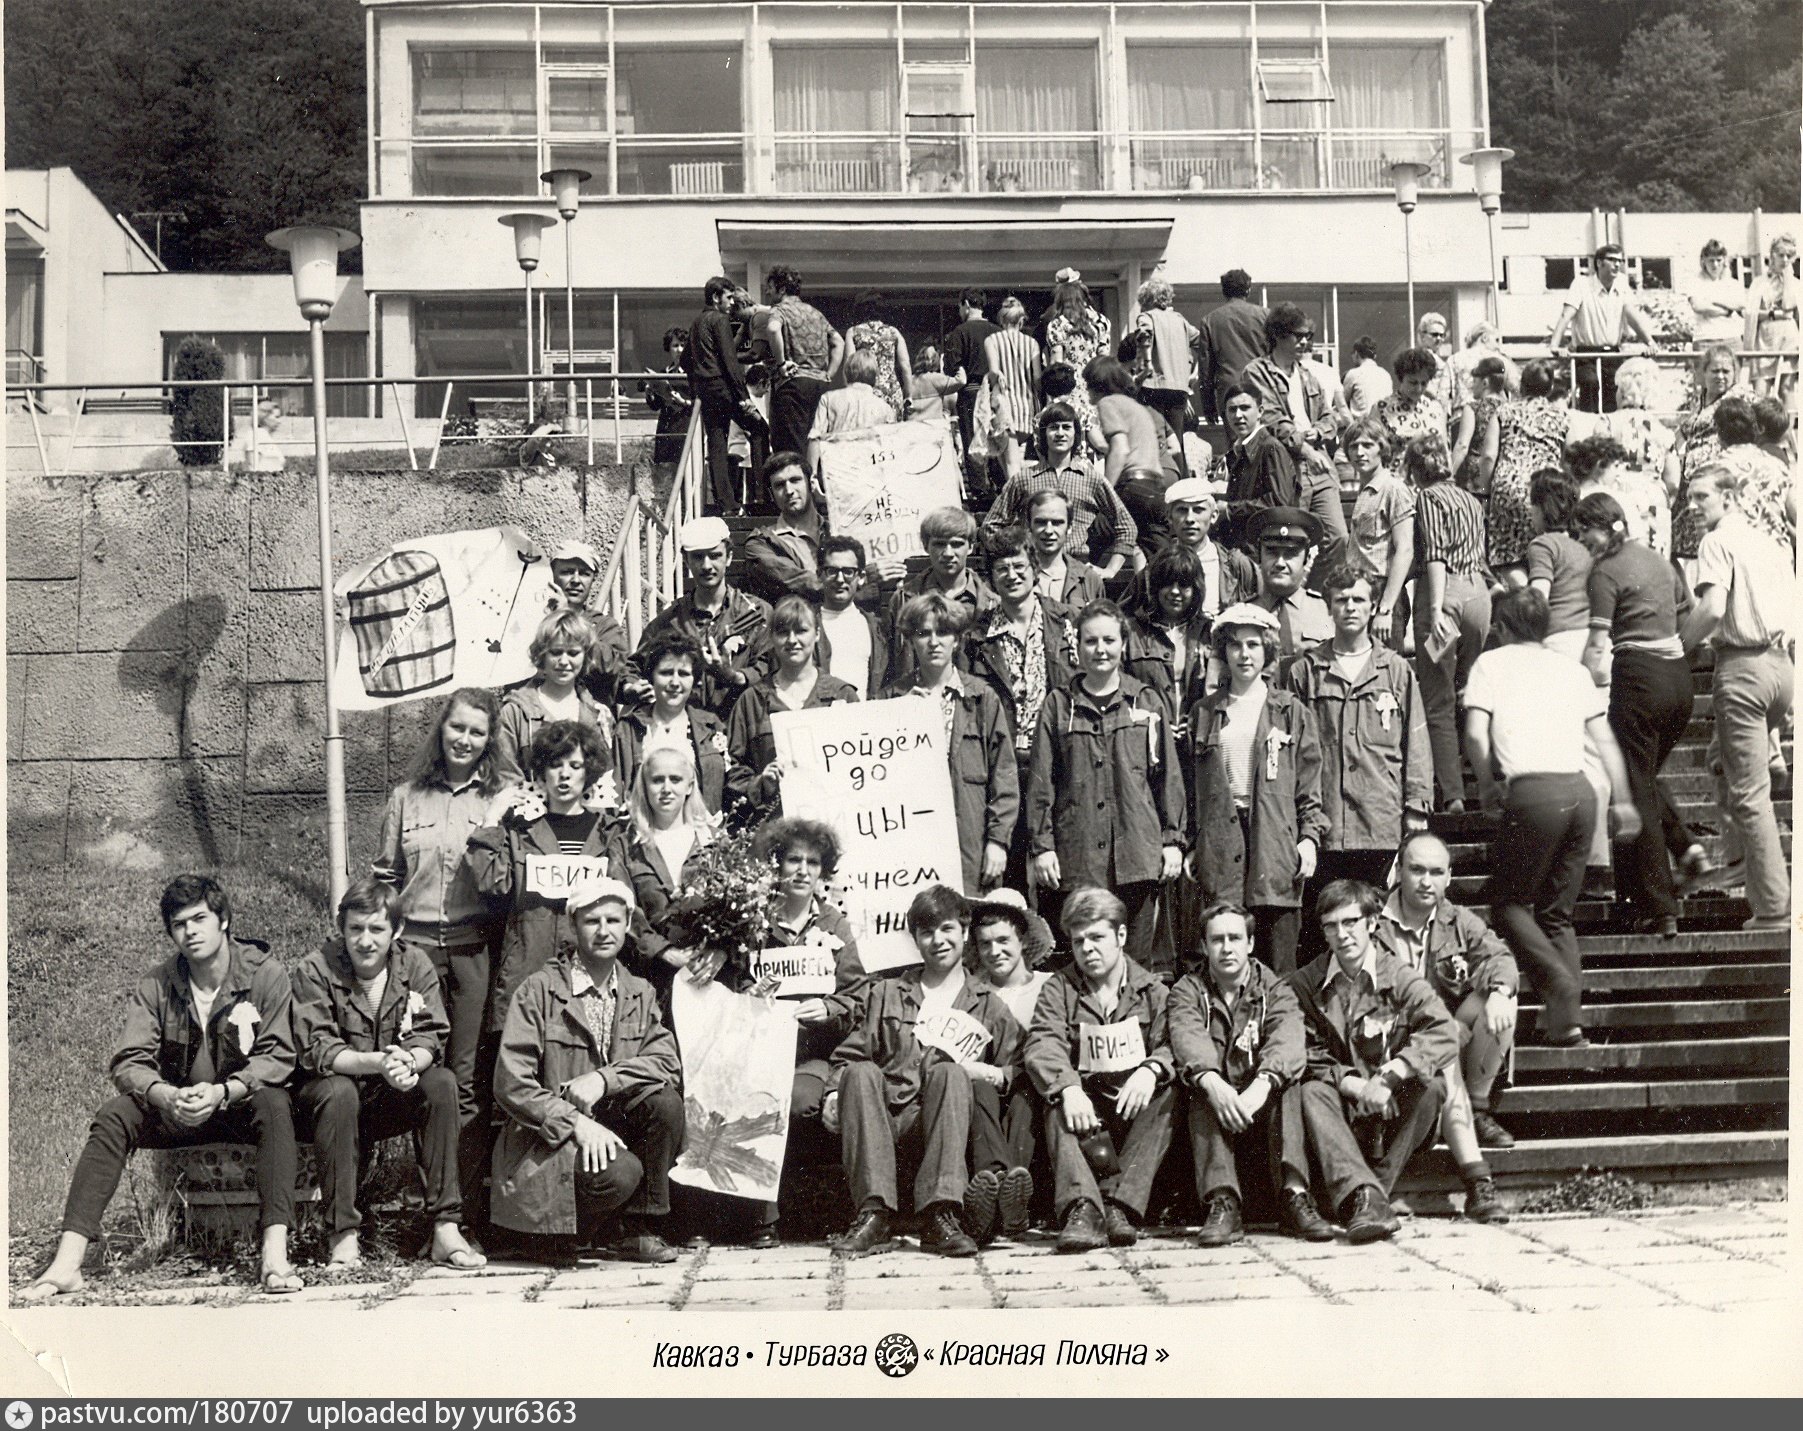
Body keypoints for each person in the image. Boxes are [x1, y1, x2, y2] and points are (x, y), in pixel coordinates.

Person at [21, 876, 302, 1300]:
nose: (190, 931)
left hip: (240, 1105)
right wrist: (165, 1095)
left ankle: (274, 1257)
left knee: (276, 1104)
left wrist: (225, 1092)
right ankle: (66, 1264)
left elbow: (279, 1055)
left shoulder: (265, 974)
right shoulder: (158, 983)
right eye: (178, 924)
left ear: (223, 920)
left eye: (200, 919)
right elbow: (129, 1060)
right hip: (181, 1107)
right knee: (115, 1114)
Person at [1464, 589, 1638, 1047]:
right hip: (1581, 794)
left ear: (1501, 627)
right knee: (1557, 914)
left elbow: (1476, 734)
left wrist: (1485, 785)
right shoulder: (1572, 669)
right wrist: (1622, 800)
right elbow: (1605, 743)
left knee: (1507, 903)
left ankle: (1557, 983)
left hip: (1535, 792)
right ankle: (1567, 1023)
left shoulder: (1491, 665)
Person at [292, 879, 485, 1270]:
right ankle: (342, 1236)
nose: (365, 941)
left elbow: (431, 1035)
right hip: (329, 1098)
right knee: (339, 1092)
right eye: (355, 929)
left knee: (441, 1084)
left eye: (377, 929)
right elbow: (318, 1050)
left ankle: (446, 1228)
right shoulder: (315, 968)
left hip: (389, 1090)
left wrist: (409, 1062)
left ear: (395, 931)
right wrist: (380, 1062)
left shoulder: (414, 964)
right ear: (340, 927)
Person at [490, 876, 684, 1262]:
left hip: (610, 1124)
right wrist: (576, 1123)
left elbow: (667, 1061)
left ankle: (636, 1229)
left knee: (665, 1104)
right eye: (592, 921)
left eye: (613, 921)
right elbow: (512, 1083)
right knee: (621, 1173)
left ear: (628, 925)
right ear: (573, 925)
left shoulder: (639, 991)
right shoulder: (538, 990)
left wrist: (603, 1079)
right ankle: (556, 1232)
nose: (603, 931)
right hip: (550, 1139)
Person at [823, 885, 1019, 1258]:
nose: (938, 940)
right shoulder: (888, 993)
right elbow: (847, 1056)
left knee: (951, 1073)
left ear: (964, 932)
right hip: (880, 1127)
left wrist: (991, 1074)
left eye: (947, 929)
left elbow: (1020, 1065)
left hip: (940, 1129)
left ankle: (940, 1215)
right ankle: (873, 1216)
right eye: (927, 932)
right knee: (861, 1073)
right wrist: (834, 1092)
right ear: (915, 939)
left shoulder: (988, 1004)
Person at [373, 685, 506, 1233]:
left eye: (478, 732)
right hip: (418, 954)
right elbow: (385, 879)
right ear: (441, 730)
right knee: (425, 1075)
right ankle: (432, 1205)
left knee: (468, 1079)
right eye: (458, 728)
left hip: (475, 950)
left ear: (489, 740)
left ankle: (464, 1212)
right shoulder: (406, 797)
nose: (466, 740)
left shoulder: (501, 797)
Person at [1288, 880, 1458, 1237]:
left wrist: (1391, 1075)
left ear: (1371, 924)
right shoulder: (1305, 983)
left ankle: (1364, 1196)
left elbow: (1443, 1029)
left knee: (1434, 1086)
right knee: (1311, 1091)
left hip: (1390, 1111)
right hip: (1338, 1112)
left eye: (1350, 922)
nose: (1342, 935)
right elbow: (1303, 1051)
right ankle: (1368, 1197)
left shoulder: (1397, 975)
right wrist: (1355, 1085)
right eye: (1331, 926)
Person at [1026, 601, 1186, 968]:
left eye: (1109, 640)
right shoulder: (1058, 705)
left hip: (1137, 856)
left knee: (1135, 963)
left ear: (1123, 645)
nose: (1100, 649)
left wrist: (1173, 840)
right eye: (1091, 641)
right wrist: (1042, 845)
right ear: (1077, 647)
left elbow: (1167, 778)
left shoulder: (1145, 701)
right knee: (1083, 962)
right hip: (1078, 857)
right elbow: (1041, 783)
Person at [1576, 492, 1703, 937]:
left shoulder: (1604, 572)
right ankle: (1682, 852)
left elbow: (1596, 647)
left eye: (1585, 531)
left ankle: (1658, 904)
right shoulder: (1659, 560)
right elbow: (1689, 615)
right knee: (1638, 776)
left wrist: (1576, 683)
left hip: (1638, 679)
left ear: (1605, 526)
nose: (1582, 541)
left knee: (1633, 782)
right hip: (1678, 679)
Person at [1170, 902, 1333, 1245]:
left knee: (1288, 1082)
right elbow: (1187, 1036)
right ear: (1204, 945)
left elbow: (1288, 1039)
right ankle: (1222, 1200)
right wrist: (1212, 1081)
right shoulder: (1188, 989)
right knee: (1199, 1084)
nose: (1226, 947)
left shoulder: (1275, 989)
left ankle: (1294, 1195)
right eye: (1217, 940)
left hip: (1262, 1115)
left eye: (1235, 938)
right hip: (1214, 1118)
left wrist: (1261, 1085)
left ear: (1250, 943)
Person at [1024, 888, 1177, 1252]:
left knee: (1169, 1093)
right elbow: (1043, 1043)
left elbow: (1175, 1041)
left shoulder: (1152, 990)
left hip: (1134, 1113)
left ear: (1121, 936)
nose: (1087, 949)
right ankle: (1083, 1207)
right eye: (1078, 941)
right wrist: (1069, 1089)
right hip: (1087, 1116)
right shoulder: (1058, 988)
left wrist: (1153, 1069)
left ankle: (1117, 1205)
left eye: (1097, 937)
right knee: (1055, 1097)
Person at [1681, 462, 1795, 930]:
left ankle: (1773, 908)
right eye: (1689, 497)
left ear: (1728, 498)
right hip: (1780, 668)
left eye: (1702, 497)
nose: (1692, 506)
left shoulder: (1716, 541)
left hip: (1743, 667)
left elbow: (1711, 609)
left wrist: (1676, 649)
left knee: (1748, 795)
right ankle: (1740, 859)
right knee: (1718, 762)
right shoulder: (1770, 541)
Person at [1188, 603, 1327, 975]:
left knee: (1278, 958)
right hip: (1221, 840)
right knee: (1225, 950)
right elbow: (1189, 788)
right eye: (1235, 645)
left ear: (1267, 650)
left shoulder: (1290, 711)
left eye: (1253, 644)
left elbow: (1310, 784)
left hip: (1274, 842)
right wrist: (1191, 844)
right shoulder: (1203, 712)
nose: (1244, 654)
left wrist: (1309, 838)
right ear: (1223, 652)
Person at [1279, 565, 1431, 895]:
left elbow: (1416, 743)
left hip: (1378, 820)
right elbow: (1290, 749)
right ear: (1329, 607)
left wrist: (1417, 806)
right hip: (1322, 823)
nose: (1350, 607)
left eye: (1359, 600)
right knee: (1323, 925)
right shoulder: (1305, 671)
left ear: (1374, 606)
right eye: (1341, 600)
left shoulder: (1395, 670)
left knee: (1375, 919)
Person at [468, 719, 622, 1041]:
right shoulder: (521, 830)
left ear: (588, 771)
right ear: (541, 772)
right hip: (526, 970)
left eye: (574, 765)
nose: (564, 774)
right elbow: (490, 882)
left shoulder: (608, 833)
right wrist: (492, 819)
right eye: (555, 765)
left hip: (588, 972)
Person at [1374, 832, 1520, 1169]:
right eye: (1417, 870)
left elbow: (1500, 957)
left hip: (1446, 1038)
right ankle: (1476, 1173)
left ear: (1449, 877)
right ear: (1398, 870)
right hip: (1393, 1042)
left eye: (1437, 872)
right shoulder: (1373, 920)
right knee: (1443, 1042)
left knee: (1501, 998)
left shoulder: (1457, 920)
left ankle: (1479, 1108)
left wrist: (1498, 992)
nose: (1427, 882)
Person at [880, 591, 1017, 894]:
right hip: (911, 839)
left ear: (957, 640)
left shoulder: (982, 698)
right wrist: (900, 716)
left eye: (942, 633)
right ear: (910, 640)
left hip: (971, 838)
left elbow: (1004, 776)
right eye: (923, 633)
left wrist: (997, 841)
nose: (933, 642)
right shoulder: (892, 698)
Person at [967, 532, 1080, 883]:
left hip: (1060, 762)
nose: (1012, 575)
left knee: (1061, 871)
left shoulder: (1068, 623)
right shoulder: (976, 635)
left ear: (1034, 570)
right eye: (1002, 569)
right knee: (1011, 870)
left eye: (1020, 566)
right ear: (991, 578)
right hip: (1006, 765)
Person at [1406, 432, 1491, 810]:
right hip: (1478, 597)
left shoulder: (1427, 497)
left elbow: (1436, 555)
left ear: (1413, 470)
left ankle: (1454, 793)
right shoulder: (1471, 499)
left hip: (1447, 598)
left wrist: (1437, 608)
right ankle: (1484, 776)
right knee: (1469, 693)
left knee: (1437, 698)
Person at [727, 594, 861, 823]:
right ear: (771, 638)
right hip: (774, 827)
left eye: (801, 630)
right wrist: (761, 783)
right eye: (782, 632)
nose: (792, 640)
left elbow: (864, 762)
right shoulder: (752, 701)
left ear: (817, 634)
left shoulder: (842, 696)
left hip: (834, 824)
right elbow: (733, 770)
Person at [965, 891, 1051, 1239]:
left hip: (1029, 1086)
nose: (994, 951)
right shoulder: (973, 990)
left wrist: (1008, 1074)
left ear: (1023, 940)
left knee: (1025, 1094)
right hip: (982, 1090)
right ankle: (1001, 1189)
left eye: (1003, 941)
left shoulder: (1048, 986)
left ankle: (1012, 1194)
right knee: (979, 1088)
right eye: (985, 944)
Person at [636, 515, 773, 722]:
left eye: (715, 555)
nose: (707, 565)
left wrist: (735, 677)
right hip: (687, 730)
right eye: (698, 557)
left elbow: (772, 669)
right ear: (686, 560)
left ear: (728, 557)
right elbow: (636, 668)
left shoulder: (758, 613)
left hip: (741, 728)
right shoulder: (669, 621)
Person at [606, 744, 719, 990]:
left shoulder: (714, 842)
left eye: (675, 779)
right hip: (650, 979)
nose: (666, 789)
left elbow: (738, 913)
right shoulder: (625, 846)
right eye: (657, 780)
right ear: (645, 787)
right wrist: (664, 951)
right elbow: (622, 909)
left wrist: (719, 952)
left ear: (689, 786)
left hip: (709, 977)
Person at [983, 401, 1138, 580]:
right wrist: (1013, 557)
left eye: (1066, 427)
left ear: (1076, 434)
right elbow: (990, 526)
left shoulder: (1091, 479)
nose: (1060, 433)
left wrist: (1110, 570)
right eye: (1053, 428)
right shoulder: (1023, 478)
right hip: (1034, 571)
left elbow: (1127, 526)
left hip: (1077, 570)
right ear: (1044, 434)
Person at [612, 630, 733, 815]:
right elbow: (616, 794)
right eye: (666, 673)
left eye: (683, 674)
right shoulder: (629, 728)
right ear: (651, 677)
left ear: (694, 680)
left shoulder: (711, 727)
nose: (675, 682)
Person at [494, 608, 615, 788]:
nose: (564, 662)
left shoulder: (598, 714)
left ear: (586, 656)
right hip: (530, 811)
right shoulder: (516, 712)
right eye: (556, 652)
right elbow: (505, 777)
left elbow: (605, 779)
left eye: (573, 653)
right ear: (542, 655)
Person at [1486, 358, 1576, 573]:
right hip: (1546, 490)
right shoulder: (1562, 416)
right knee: (1545, 555)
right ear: (1551, 387)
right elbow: (1571, 457)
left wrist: (1486, 487)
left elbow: (1489, 455)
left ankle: (1524, 598)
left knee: (1509, 557)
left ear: (1522, 385)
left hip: (1509, 485)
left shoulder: (1504, 412)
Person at [686, 276, 767, 514]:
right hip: (725, 389)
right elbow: (730, 361)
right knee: (761, 429)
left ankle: (727, 505)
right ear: (715, 297)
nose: (732, 302)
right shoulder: (720, 319)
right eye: (729, 297)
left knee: (717, 443)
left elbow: (685, 361)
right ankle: (761, 498)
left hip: (706, 391)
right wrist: (743, 397)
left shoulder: (696, 323)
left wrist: (696, 387)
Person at [886, 506, 995, 680]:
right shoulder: (904, 599)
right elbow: (890, 666)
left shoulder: (991, 604)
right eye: (939, 544)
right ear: (925, 545)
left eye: (957, 544)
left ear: (971, 547)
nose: (948, 553)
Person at [1672, 344, 1757, 564]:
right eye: (1715, 371)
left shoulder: (1741, 396)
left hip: (1717, 477)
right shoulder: (1699, 398)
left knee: (1711, 544)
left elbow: (1765, 421)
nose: (1720, 376)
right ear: (1704, 372)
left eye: (1726, 371)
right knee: (1683, 549)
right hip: (1691, 478)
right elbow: (1685, 429)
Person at [1549, 243, 1659, 413]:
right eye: (1612, 260)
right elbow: (1566, 314)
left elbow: (1632, 316)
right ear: (1599, 263)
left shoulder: (1621, 283)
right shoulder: (1582, 284)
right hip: (1587, 354)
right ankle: (1589, 435)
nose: (1617, 265)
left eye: (1620, 261)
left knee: (1614, 393)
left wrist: (1650, 342)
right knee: (1590, 384)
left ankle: (1609, 437)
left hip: (1612, 353)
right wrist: (1555, 345)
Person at [1085, 354, 1170, 561]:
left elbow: (1120, 448)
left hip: (1132, 485)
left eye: (1088, 385)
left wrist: (1105, 492)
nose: (1086, 391)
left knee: (1092, 538)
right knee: (1156, 555)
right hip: (1156, 487)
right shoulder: (1137, 407)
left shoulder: (1108, 403)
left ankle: (1083, 586)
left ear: (1097, 384)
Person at [1343, 420, 1415, 650]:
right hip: (1358, 590)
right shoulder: (1365, 491)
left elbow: (1405, 549)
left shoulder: (1393, 489)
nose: (1359, 452)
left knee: (1386, 670)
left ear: (1382, 448)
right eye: (1353, 446)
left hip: (1383, 593)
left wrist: (1386, 609)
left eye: (1367, 445)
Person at [1123, 544, 1215, 716]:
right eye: (1167, 584)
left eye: (1183, 585)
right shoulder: (1131, 632)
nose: (1174, 591)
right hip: (1147, 734)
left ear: (1196, 589)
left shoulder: (1209, 633)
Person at [764, 265, 844, 458]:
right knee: (816, 443)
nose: (767, 291)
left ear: (781, 289)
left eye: (770, 287)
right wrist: (829, 374)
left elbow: (773, 329)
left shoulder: (779, 310)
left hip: (793, 385)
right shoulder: (816, 313)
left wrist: (782, 363)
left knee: (791, 448)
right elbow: (838, 341)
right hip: (820, 386)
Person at [544, 541, 633, 709]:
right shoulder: (534, 619)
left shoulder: (604, 626)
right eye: (567, 572)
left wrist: (568, 618)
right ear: (552, 575)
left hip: (588, 719)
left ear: (593, 579)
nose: (576, 580)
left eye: (584, 574)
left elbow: (613, 667)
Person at [734, 451, 826, 605]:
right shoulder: (761, 542)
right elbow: (797, 581)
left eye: (795, 480)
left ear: (811, 483)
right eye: (779, 485)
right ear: (771, 494)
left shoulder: (836, 531)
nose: (789, 491)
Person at [1219, 382, 1302, 553]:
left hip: (1265, 550)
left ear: (1260, 412)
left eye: (1245, 408)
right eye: (1232, 410)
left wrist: (1229, 509)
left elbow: (1279, 503)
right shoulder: (1237, 451)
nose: (1238, 415)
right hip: (1243, 550)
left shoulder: (1270, 448)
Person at [1131, 277, 1200, 476]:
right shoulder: (1180, 320)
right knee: (1176, 439)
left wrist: (1146, 365)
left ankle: (1158, 479)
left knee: (1154, 437)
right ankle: (1181, 479)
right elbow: (1202, 342)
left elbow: (1144, 336)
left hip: (1153, 385)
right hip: (1178, 387)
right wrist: (1194, 372)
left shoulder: (1146, 317)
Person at [1711, 397, 1797, 552]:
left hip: (1741, 554)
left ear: (1719, 434)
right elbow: (1796, 511)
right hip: (1778, 553)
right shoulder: (1777, 465)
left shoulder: (1716, 469)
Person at [1248, 507, 1333, 659]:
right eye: (1272, 552)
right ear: (1259, 556)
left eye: (1290, 554)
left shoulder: (1326, 611)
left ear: (1306, 559)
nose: (1280, 563)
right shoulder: (1244, 613)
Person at [1568, 432, 1670, 560]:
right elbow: (1637, 540)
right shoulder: (1619, 498)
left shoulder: (1570, 495)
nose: (1618, 473)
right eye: (1615, 466)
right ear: (1600, 465)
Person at [943, 288, 1003, 496]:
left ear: (966, 304)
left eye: (960, 306)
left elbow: (951, 368)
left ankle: (980, 494)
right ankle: (1002, 489)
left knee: (972, 443)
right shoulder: (998, 331)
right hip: (996, 391)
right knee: (996, 440)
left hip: (971, 391)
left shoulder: (959, 332)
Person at [816, 535, 888, 699]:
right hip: (821, 719)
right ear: (820, 575)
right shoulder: (806, 626)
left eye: (848, 572)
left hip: (865, 721)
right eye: (832, 571)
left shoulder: (876, 628)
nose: (840, 580)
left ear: (861, 577)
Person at [982, 297, 1045, 483]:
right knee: (1014, 459)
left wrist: (995, 377)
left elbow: (994, 372)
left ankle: (1019, 504)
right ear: (1022, 320)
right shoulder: (1032, 343)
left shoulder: (992, 340)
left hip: (1004, 407)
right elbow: (1037, 378)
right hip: (1027, 407)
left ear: (1002, 319)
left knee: (1010, 463)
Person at [805, 349, 896, 475]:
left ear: (847, 372)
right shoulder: (885, 408)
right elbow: (890, 450)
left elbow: (815, 438)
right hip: (870, 473)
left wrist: (812, 476)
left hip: (836, 471)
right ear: (875, 375)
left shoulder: (829, 398)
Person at [1196, 268, 1269, 423]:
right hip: (1261, 389)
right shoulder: (1265, 316)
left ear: (1224, 291)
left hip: (1229, 392)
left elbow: (1206, 370)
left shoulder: (1210, 321)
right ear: (1248, 290)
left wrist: (1208, 406)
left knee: (1236, 444)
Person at [1022, 489, 1106, 605]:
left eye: (1057, 523)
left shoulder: (1089, 580)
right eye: (1041, 522)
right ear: (1028, 526)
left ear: (1070, 527)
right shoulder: (1015, 575)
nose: (1049, 530)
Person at [1745, 232, 1801, 399]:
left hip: (1788, 340)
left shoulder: (1796, 284)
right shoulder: (1759, 283)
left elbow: (1788, 305)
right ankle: (1761, 426)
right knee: (1760, 392)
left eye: (1789, 256)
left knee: (1786, 389)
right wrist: (1774, 314)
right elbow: (1750, 313)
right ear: (1772, 256)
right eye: (1781, 255)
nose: (1784, 260)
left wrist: (1788, 279)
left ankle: (1788, 426)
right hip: (1764, 340)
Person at [1043, 268, 1113, 392]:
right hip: (1093, 391)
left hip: (1068, 391)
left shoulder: (1058, 324)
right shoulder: (1102, 321)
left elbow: (1057, 365)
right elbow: (1104, 360)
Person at [844, 290, 912, 417]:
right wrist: (908, 395)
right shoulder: (894, 332)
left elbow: (849, 366)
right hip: (891, 392)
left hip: (865, 393)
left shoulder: (853, 332)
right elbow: (905, 366)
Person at [1449, 355, 1508, 495]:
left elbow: (1462, 445)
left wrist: (1448, 475)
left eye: (1474, 381)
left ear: (1485, 383)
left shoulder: (1472, 409)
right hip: (1501, 477)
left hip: (1476, 482)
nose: (1472, 385)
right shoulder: (1509, 409)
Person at [1374, 347, 1451, 451]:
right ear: (1401, 378)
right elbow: (1371, 447)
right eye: (1413, 383)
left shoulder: (1435, 408)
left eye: (1424, 383)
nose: (1419, 389)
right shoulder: (1381, 408)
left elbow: (1444, 447)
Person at [1684, 239, 1751, 347]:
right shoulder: (1695, 282)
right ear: (1703, 261)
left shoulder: (1733, 284)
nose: (1715, 265)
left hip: (1732, 338)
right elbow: (1699, 306)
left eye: (1718, 260)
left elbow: (1741, 305)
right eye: (1711, 260)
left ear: (1724, 261)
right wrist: (1726, 312)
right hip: (1705, 339)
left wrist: (1714, 301)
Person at [643, 326, 693, 468]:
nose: (679, 350)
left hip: (686, 422)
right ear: (669, 348)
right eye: (675, 346)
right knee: (664, 466)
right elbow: (656, 405)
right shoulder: (664, 372)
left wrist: (684, 402)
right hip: (667, 424)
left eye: (683, 345)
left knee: (685, 465)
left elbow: (702, 400)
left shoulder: (694, 372)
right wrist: (650, 394)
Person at [1340, 335, 1393, 420]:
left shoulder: (1353, 374)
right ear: (1374, 356)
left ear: (1356, 353)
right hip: (1383, 425)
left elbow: (1341, 403)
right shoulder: (1386, 374)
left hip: (1363, 427)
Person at [229, 398, 287, 472]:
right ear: (264, 417)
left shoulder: (266, 436)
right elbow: (253, 465)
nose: (279, 421)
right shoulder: (256, 435)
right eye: (276, 417)